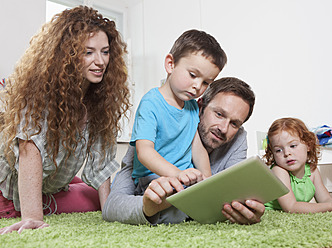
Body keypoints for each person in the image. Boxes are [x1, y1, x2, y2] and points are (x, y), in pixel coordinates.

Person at [0, 6, 130, 234]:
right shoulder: (39, 94)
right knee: (86, 197)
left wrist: (110, 209)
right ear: (66, 56)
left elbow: (100, 162)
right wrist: (32, 217)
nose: (100, 61)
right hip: (10, 192)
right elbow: (29, 150)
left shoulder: (97, 99)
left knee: (98, 193)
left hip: (52, 181)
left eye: (105, 51)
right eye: (88, 52)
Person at [103, 77, 265, 225]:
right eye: (219, 114)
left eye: (235, 124)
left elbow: (233, 193)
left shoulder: (238, 139)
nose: (223, 128)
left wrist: (246, 209)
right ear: (199, 107)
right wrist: (148, 207)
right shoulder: (152, 134)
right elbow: (112, 206)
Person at [130, 29, 226, 195]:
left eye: (206, 83)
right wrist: (177, 174)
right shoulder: (151, 103)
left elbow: (198, 149)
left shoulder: (192, 107)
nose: (197, 86)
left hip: (184, 179)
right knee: (171, 207)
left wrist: (209, 182)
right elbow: (144, 152)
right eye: (192, 75)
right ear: (170, 64)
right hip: (154, 178)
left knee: (214, 201)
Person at [263, 117, 332, 213]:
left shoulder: (312, 171)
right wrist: (331, 206)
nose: (286, 153)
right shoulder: (279, 171)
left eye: (293, 146)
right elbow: (291, 207)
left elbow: (325, 199)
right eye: (278, 150)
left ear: (308, 145)